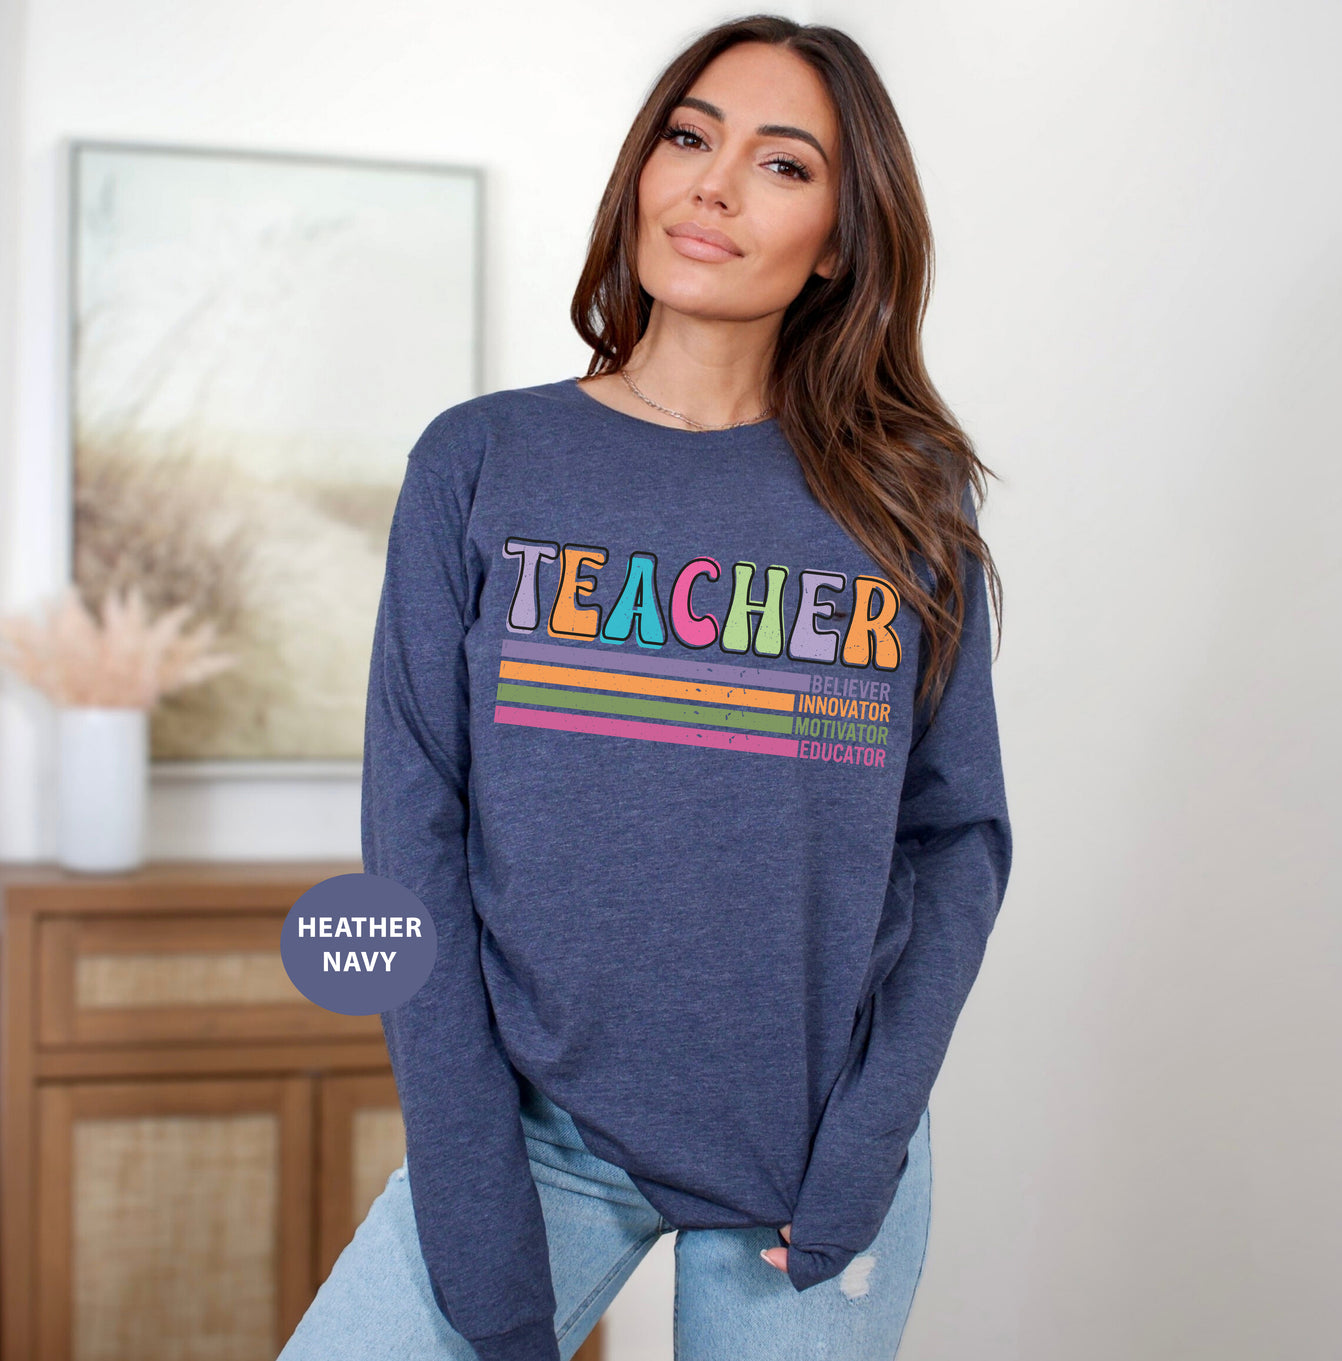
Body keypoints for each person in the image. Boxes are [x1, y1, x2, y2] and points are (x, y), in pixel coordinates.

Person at [279, 14, 1012, 1361]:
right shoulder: (483, 460)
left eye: (781, 165)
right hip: (536, 1131)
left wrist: (869, 1137)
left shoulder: (903, 498)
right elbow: (414, 832)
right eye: (688, 137)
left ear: (842, 238)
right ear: (641, 171)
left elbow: (955, 839)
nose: (713, 185)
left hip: (816, 1149)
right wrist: (467, 1182)